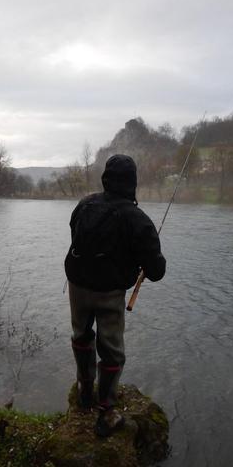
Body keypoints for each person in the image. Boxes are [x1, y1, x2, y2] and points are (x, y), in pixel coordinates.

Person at [64, 154, 166, 437]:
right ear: (132, 182)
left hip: (77, 286)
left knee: (81, 336)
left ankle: (85, 391)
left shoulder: (84, 205)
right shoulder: (139, 219)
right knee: (112, 351)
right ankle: (106, 411)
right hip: (109, 294)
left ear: (105, 179)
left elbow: (74, 233)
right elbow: (156, 271)